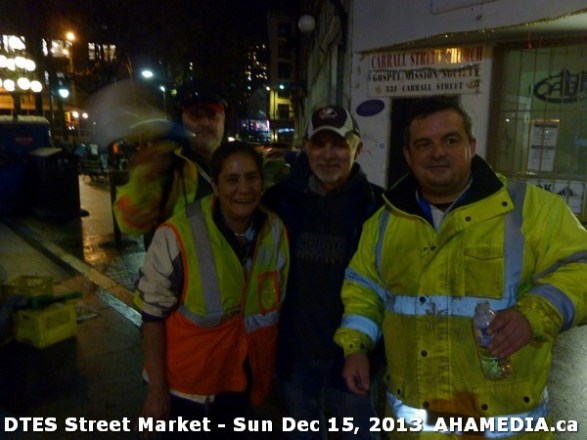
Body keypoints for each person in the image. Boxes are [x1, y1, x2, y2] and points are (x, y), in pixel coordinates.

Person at [334, 96, 587, 438]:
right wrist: (356, 348)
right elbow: (363, 290)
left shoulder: (532, 210)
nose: (438, 152)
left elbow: (581, 266)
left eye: (450, 140)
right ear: (408, 155)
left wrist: (535, 314)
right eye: (424, 144)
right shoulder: (384, 222)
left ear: (471, 145)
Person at [134, 141, 289, 438]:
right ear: (215, 186)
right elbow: (152, 317)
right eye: (232, 180)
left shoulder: (274, 230)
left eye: (251, 178)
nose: (243, 189)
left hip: (240, 383)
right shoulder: (176, 234)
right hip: (186, 391)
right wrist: (157, 392)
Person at [263, 105, 384, 439]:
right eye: (319, 144)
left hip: (355, 357)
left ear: (358, 147)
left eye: (339, 144)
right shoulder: (280, 202)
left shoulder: (379, 207)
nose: (328, 154)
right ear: (305, 147)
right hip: (296, 356)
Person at [113, 80, 227, 245]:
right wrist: (146, 173)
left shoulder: (241, 164)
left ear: (223, 119)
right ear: (182, 120)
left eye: (211, 115)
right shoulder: (166, 165)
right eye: (196, 115)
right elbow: (130, 225)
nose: (205, 123)